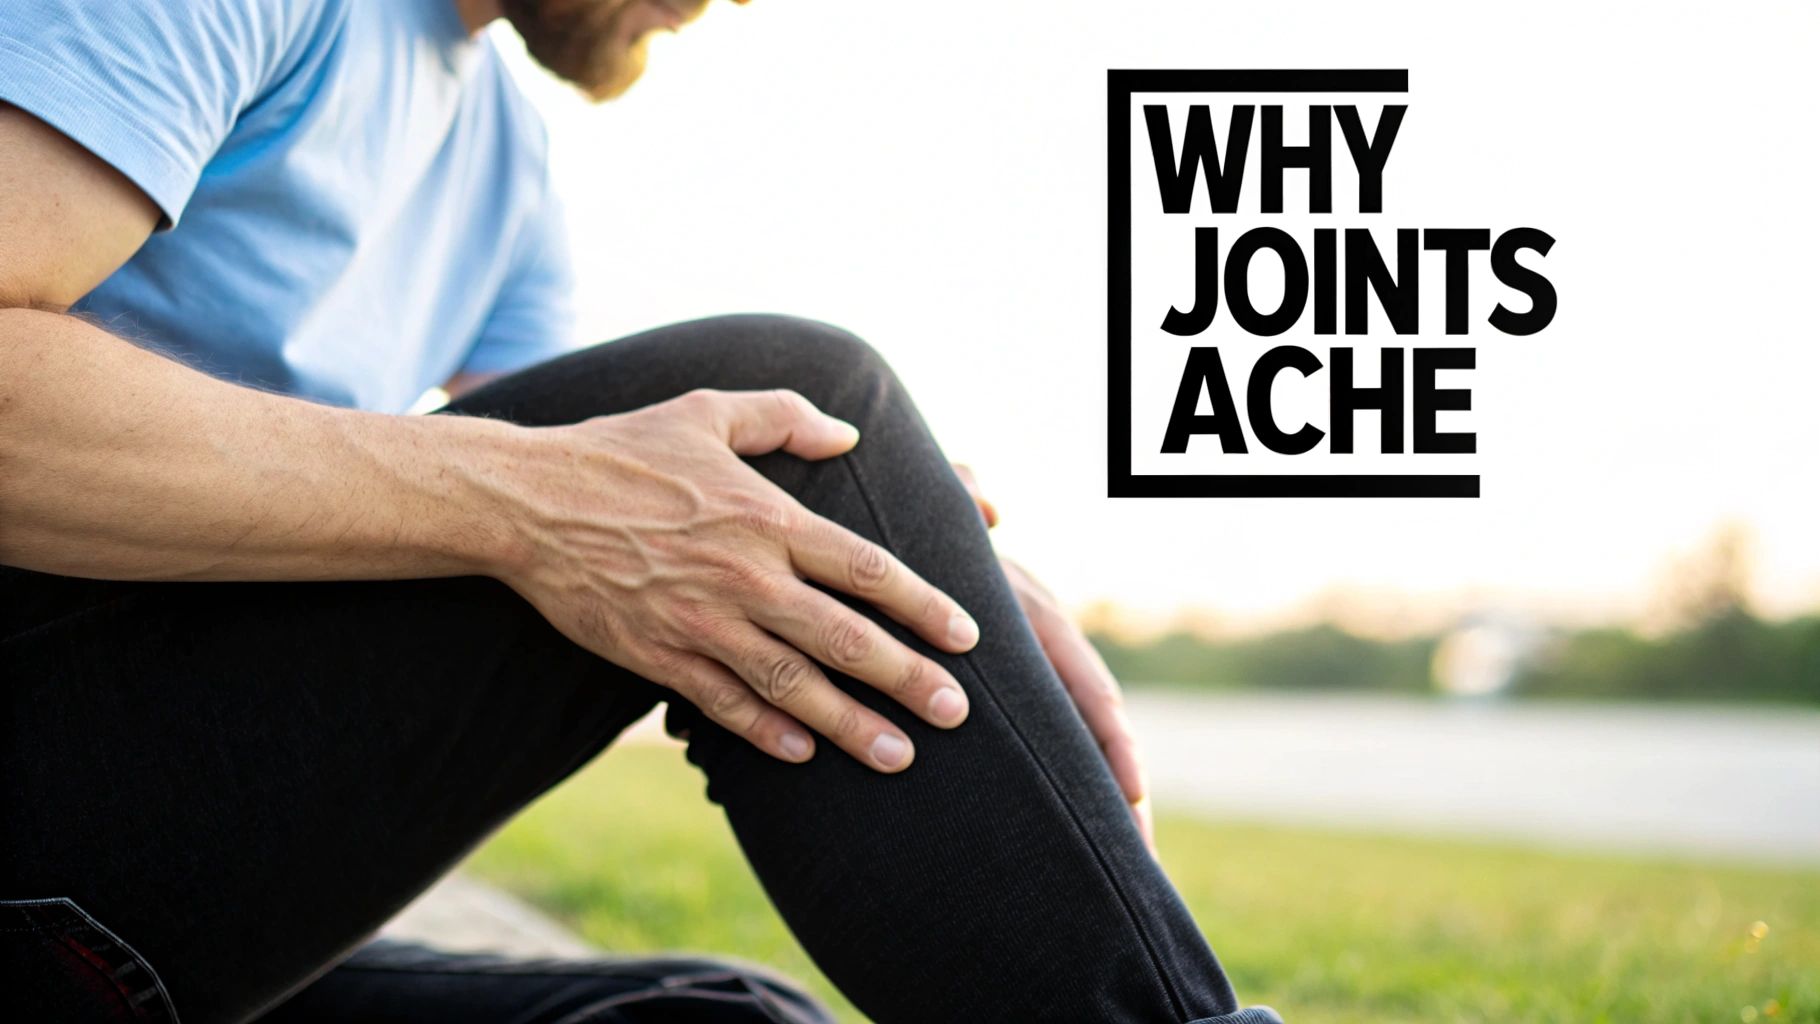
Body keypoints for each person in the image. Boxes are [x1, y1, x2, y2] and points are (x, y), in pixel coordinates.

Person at [0, 1, 1279, 1021]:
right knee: (799, 415)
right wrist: (548, 502)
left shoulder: (500, 143)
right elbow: (600, 482)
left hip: (127, 919)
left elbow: (647, 487)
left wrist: (930, 543)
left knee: (709, 1015)